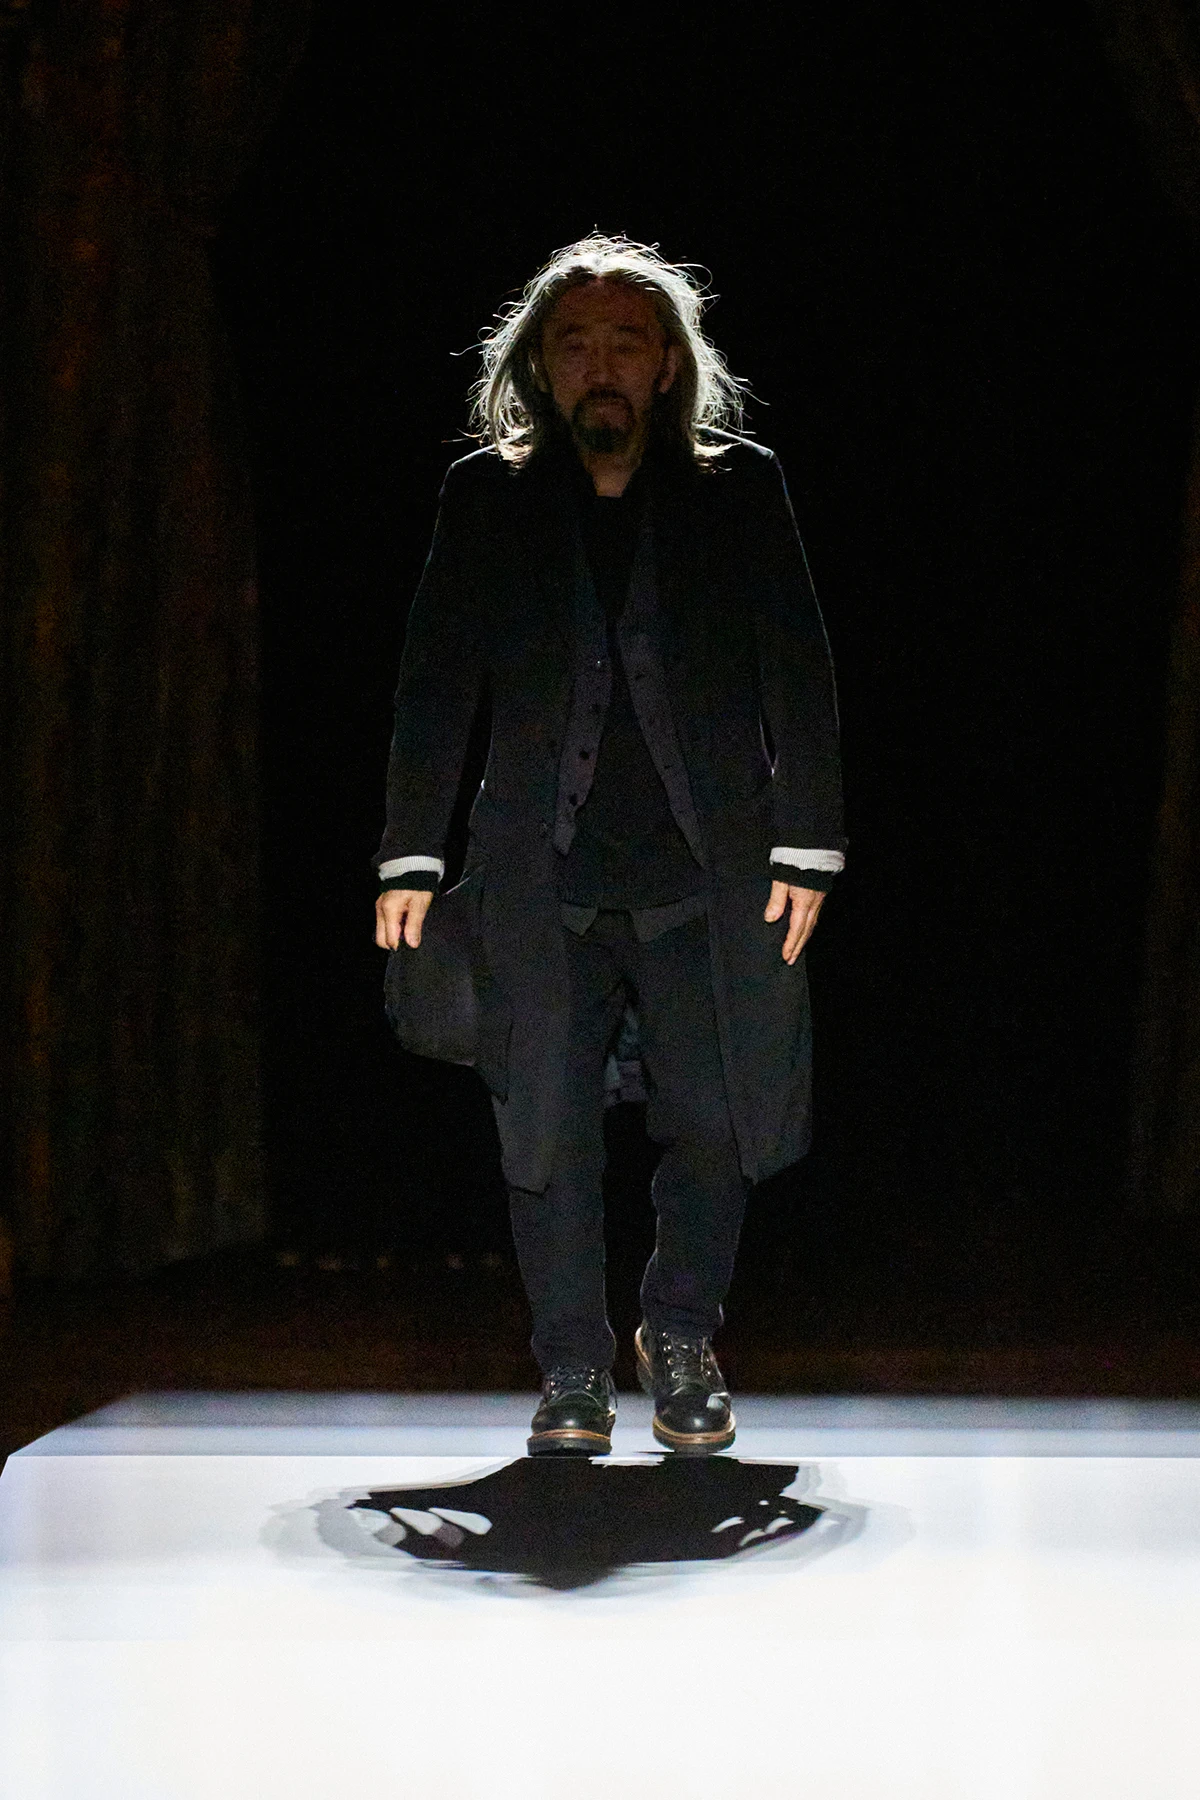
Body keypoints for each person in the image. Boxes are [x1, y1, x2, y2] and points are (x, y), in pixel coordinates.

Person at [373, 235, 845, 1456]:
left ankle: (679, 1332)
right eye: (575, 342)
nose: (601, 364)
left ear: (668, 363)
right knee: (546, 1127)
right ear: (539, 362)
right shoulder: (487, 494)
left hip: (709, 875)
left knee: (718, 1119)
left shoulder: (740, 488)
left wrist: (808, 845)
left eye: (627, 341)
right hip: (542, 875)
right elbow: (437, 678)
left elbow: (797, 666)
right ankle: (573, 1366)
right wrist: (411, 853)